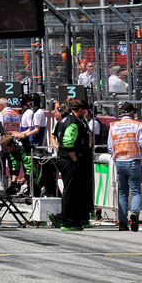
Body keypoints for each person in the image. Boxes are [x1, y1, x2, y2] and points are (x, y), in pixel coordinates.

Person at [49, 99, 91, 231]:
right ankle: (67, 221)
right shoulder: (72, 123)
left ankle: (75, 219)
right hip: (68, 160)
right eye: (85, 110)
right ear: (80, 110)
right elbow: (67, 143)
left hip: (68, 159)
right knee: (71, 190)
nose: (86, 112)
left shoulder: (72, 121)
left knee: (75, 190)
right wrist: (75, 160)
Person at [107, 102, 142, 232]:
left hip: (119, 161)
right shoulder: (137, 125)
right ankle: (135, 213)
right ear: (131, 113)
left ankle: (123, 223)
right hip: (133, 161)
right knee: (136, 191)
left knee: (122, 193)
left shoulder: (113, 126)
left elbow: (110, 147)